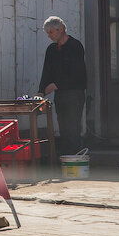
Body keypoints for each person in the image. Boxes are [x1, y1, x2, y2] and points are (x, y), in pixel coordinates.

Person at [35, 16, 86, 155]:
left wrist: (57, 85)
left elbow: (77, 72)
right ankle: (66, 156)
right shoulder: (51, 49)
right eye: (48, 33)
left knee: (73, 125)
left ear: (61, 29)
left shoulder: (75, 46)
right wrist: (41, 91)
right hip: (61, 94)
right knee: (62, 125)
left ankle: (75, 155)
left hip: (74, 92)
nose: (49, 35)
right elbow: (47, 71)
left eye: (51, 32)